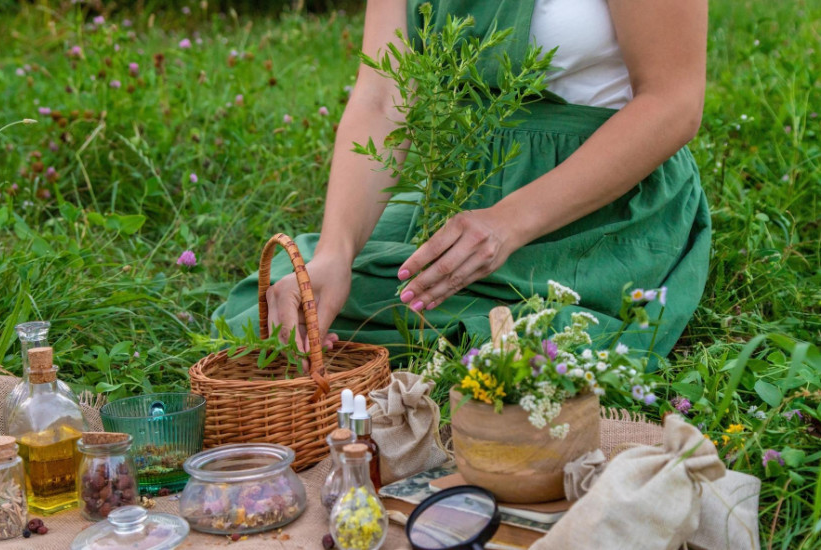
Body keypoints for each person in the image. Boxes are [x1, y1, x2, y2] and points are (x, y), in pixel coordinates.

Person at [214, 0, 710, 363]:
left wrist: (508, 223)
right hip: (470, 183)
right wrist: (335, 252)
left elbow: (673, 103)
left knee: (516, 340)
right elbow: (384, 96)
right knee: (269, 310)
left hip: (599, 197)